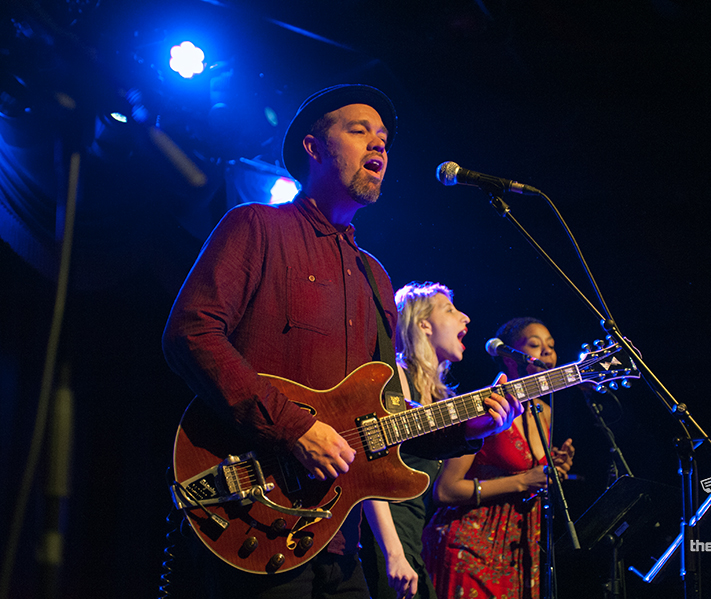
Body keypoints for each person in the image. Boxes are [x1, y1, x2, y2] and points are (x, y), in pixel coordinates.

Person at [161, 84, 523, 599]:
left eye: (384, 140)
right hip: (254, 513)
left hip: (337, 539)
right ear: (313, 148)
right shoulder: (256, 225)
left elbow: (386, 420)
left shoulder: (374, 276)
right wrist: (295, 429)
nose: (379, 145)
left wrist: (471, 426)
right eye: (359, 131)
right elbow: (190, 333)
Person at [422, 317, 575, 599]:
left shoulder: (545, 412)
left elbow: (527, 472)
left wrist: (552, 469)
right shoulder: (487, 406)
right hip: (470, 546)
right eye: (534, 345)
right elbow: (444, 490)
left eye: (551, 346)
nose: (546, 352)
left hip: (518, 552)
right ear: (509, 357)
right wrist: (523, 481)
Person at [360, 281, 476, 599]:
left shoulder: (442, 400)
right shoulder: (395, 377)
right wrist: (393, 553)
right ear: (423, 324)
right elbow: (367, 469)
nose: (465, 317)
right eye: (449, 309)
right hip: (382, 539)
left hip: (412, 540)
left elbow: (446, 487)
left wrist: (487, 425)